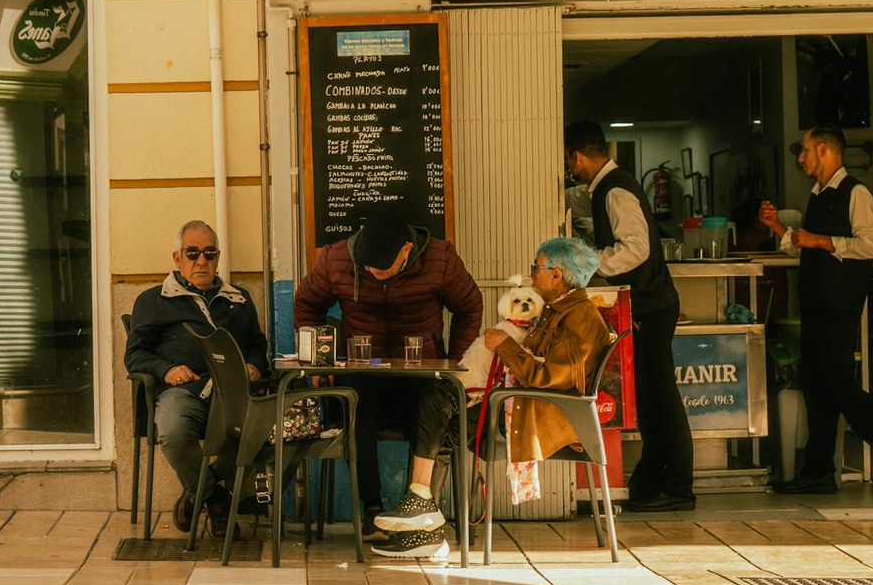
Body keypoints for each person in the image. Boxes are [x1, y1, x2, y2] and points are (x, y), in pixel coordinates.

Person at [292, 206, 482, 559]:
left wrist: (457, 364)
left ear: (406, 250)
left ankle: (420, 506)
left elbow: (469, 306)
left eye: (382, 268)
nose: (374, 274)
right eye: (368, 268)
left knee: (436, 403)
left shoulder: (440, 259)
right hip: (365, 374)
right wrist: (318, 358)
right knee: (354, 402)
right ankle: (372, 508)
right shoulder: (336, 259)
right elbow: (306, 303)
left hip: (421, 374)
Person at [760, 125, 873, 495]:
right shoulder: (818, 194)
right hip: (816, 300)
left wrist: (819, 240)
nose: (801, 159)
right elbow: (806, 245)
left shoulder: (855, 192)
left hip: (839, 301)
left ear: (823, 150)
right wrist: (778, 227)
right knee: (816, 385)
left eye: (805, 151)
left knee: (838, 383)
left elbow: (869, 245)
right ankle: (818, 471)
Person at [564, 121, 696, 512]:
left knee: (661, 398)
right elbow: (577, 200)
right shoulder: (604, 187)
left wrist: (589, 264)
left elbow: (636, 249)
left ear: (577, 156)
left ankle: (678, 486)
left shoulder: (615, 190)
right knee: (651, 401)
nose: (569, 169)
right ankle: (651, 481)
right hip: (648, 305)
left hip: (650, 305)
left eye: (568, 161)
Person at [124, 220, 269, 538]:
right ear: (177, 258)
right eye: (192, 253)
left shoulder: (238, 299)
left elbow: (258, 345)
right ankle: (216, 500)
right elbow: (134, 355)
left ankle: (199, 493)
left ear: (217, 258)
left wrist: (254, 365)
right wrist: (166, 369)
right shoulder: (154, 301)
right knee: (174, 433)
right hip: (183, 392)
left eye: (209, 253)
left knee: (261, 430)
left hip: (231, 393)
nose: (201, 261)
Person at [480, 237, 613, 468]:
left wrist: (505, 344)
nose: (532, 276)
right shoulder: (558, 310)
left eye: (536, 269)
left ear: (556, 276)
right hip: (534, 402)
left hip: (542, 413)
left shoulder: (577, 318)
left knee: (450, 414)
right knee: (447, 406)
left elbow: (547, 377)